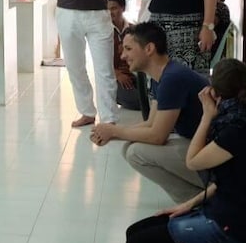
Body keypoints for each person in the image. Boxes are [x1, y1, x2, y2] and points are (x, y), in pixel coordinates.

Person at [124, 59, 246, 243]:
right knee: (136, 231)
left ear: (215, 92)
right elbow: (226, 182)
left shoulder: (237, 131)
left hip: (232, 232)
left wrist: (207, 116)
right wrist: (187, 205)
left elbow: (193, 161)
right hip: (244, 224)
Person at [90, 22, 209, 202]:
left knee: (136, 152)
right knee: (130, 147)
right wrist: (110, 133)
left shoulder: (172, 78)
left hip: (216, 156)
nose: (123, 56)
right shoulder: (161, 76)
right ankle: (198, 198)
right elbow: (150, 123)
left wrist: (114, 131)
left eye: (128, 49)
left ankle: (197, 200)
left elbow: (157, 136)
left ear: (149, 48)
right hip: (198, 144)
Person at [107, 0, 141, 111]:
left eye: (114, 8)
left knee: (153, 94)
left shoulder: (134, 30)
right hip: (115, 78)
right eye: (107, 9)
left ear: (123, 8)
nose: (110, 12)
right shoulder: (103, 33)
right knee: (139, 101)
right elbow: (100, 62)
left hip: (137, 74)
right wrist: (118, 74)